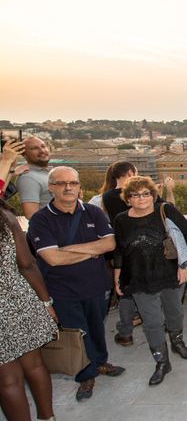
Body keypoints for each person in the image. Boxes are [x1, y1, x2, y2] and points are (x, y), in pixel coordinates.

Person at [27, 166, 125, 402]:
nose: (68, 187)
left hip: (96, 284)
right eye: (61, 183)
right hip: (62, 289)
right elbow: (51, 258)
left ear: (80, 186)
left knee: (96, 327)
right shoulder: (41, 219)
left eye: (72, 183)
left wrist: (67, 250)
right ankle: (85, 375)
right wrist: (90, 250)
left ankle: (100, 362)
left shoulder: (93, 212)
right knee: (76, 333)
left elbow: (110, 244)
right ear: (51, 188)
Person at [112, 176, 187, 385]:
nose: (141, 198)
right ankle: (162, 361)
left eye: (145, 193)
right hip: (139, 278)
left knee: (174, 313)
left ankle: (177, 342)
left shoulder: (165, 210)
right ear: (127, 198)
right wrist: (117, 277)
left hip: (171, 274)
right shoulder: (121, 220)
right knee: (152, 322)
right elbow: (119, 251)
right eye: (135, 194)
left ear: (153, 194)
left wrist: (184, 266)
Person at [102, 161, 175, 346]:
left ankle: (125, 331)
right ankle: (163, 324)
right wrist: (164, 191)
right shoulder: (142, 197)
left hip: (125, 251)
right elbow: (169, 210)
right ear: (130, 172)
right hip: (147, 251)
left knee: (126, 292)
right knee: (154, 291)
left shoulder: (107, 196)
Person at [0, 197, 58, 421]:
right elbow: (26, 264)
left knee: (8, 380)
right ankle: (48, 417)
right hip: (20, 300)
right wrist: (46, 302)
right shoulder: (6, 217)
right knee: (35, 365)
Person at [16, 137, 52, 219]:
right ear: (24, 154)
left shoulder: (51, 173)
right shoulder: (28, 178)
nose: (42, 151)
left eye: (43, 146)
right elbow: (31, 215)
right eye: (34, 148)